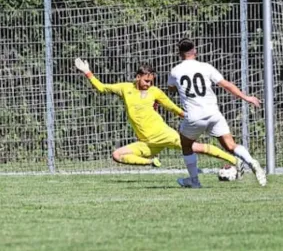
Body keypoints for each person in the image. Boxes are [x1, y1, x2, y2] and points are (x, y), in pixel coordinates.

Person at [74, 58, 243, 170]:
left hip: (164, 135)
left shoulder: (155, 91)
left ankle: (236, 161)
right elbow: (102, 88)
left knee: (197, 148)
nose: (149, 84)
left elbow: (172, 108)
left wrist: (190, 116)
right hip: (147, 143)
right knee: (117, 155)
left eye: (151, 81)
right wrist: (87, 72)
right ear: (138, 77)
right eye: (146, 80)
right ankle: (151, 162)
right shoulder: (125, 88)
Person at [167, 38, 266, 189]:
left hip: (194, 116)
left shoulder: (175, 71)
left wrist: (176, 88)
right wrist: (246, 97)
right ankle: (251, 161)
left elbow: (171, 88)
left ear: (179, 54)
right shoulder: (206, 67)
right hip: (213, 113)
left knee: (186, 145)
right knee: (230, 145)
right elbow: (226, 84)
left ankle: (194, 181)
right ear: (195, 51)